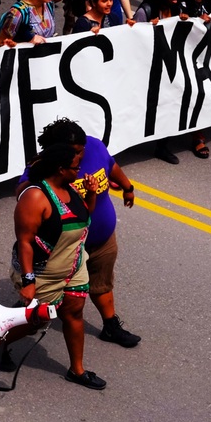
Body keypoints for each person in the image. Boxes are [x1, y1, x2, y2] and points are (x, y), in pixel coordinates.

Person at [0, 126, 106, 390]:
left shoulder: (71, 189)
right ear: (59, 169)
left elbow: (83, 217)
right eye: (74, 166)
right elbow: (24, 242)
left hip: (73, 265)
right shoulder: (35, 197)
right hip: (43, 270)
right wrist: (28, 280)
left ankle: (77, 370)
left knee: (74, 312)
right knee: (39, 320)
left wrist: (91, 193)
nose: (79, 171)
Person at [27, 118, 140, 349]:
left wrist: (128, 188)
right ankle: (21, 318)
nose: (79, 157)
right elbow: (24, 192)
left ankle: (110, 326)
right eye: (74, 153)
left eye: (81, 150)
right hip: (66, 249)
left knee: (102, 282)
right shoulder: (44, 166)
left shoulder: (95, 146)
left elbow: (112, 166)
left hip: (102, 239)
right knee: (50, 298)